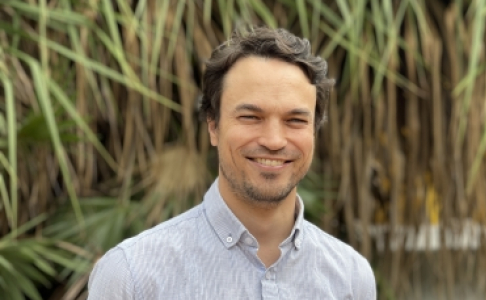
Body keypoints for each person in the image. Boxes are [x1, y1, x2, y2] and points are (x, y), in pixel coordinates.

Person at [87, 27, 376, 299]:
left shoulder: (351, 278)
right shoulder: (132, 276)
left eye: (295, 120)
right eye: (251, 117)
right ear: (213, 126)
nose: (274, 140)